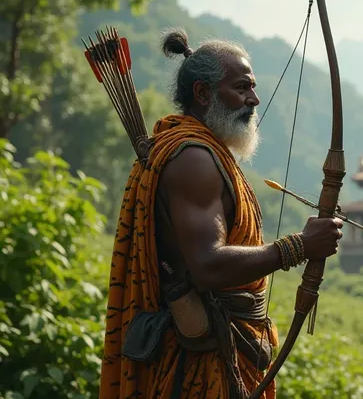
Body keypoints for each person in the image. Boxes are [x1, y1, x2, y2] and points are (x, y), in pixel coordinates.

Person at [97, 28, 343, 399]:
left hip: (216, 347)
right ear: (203, 93)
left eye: (253, 87)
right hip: (200, 361)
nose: (254, 99)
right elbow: (207, 265)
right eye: (242, 88)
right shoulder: (194, 158)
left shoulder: (197, 150)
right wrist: (300, 246)